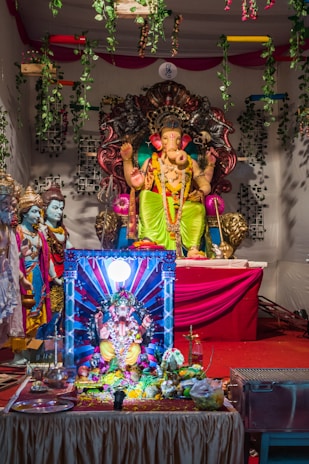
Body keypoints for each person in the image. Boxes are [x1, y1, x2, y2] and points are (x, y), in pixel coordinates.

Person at [120, 116, 218, 258]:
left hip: (182, 205)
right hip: (159, 204)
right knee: (146, 196)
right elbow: (134, 183)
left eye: (177, 139)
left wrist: (201, 190)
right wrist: (127, 161)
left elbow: (204, 183)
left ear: (183, 142)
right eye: (166, 138)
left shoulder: (190, 163)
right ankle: (149, 238)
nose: (172, 143)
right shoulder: (152, 161)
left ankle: (193, 248)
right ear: (158, 141)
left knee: (197, 208)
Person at [15, 186, 59, 340]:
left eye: (39, 212)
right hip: (23, 276)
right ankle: (20, 349)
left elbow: (47, 258)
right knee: (23, 311)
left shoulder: (39, 234)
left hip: (38, 276)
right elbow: (12, 258)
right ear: (24, 213)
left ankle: (33, 346)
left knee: (37, 311)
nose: (38, 216)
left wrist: (54, 278)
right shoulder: (17, 232)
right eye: (34, 212)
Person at [0, 171, 26, 347]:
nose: (10, 208)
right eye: (5, 203)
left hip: (5, 281)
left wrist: (22, 279)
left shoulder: (9, 231)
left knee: (4, 324)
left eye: (12, 204)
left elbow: (11, 261)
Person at [41, 183, 73, 313]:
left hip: (63, 275)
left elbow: (71, 250)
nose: (59, 212)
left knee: (62, 311)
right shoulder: (43, 231)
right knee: (50, 310)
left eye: (61, 209)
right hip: (49, 277)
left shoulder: (62, 231)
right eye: (54, 208)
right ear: (44, 209)